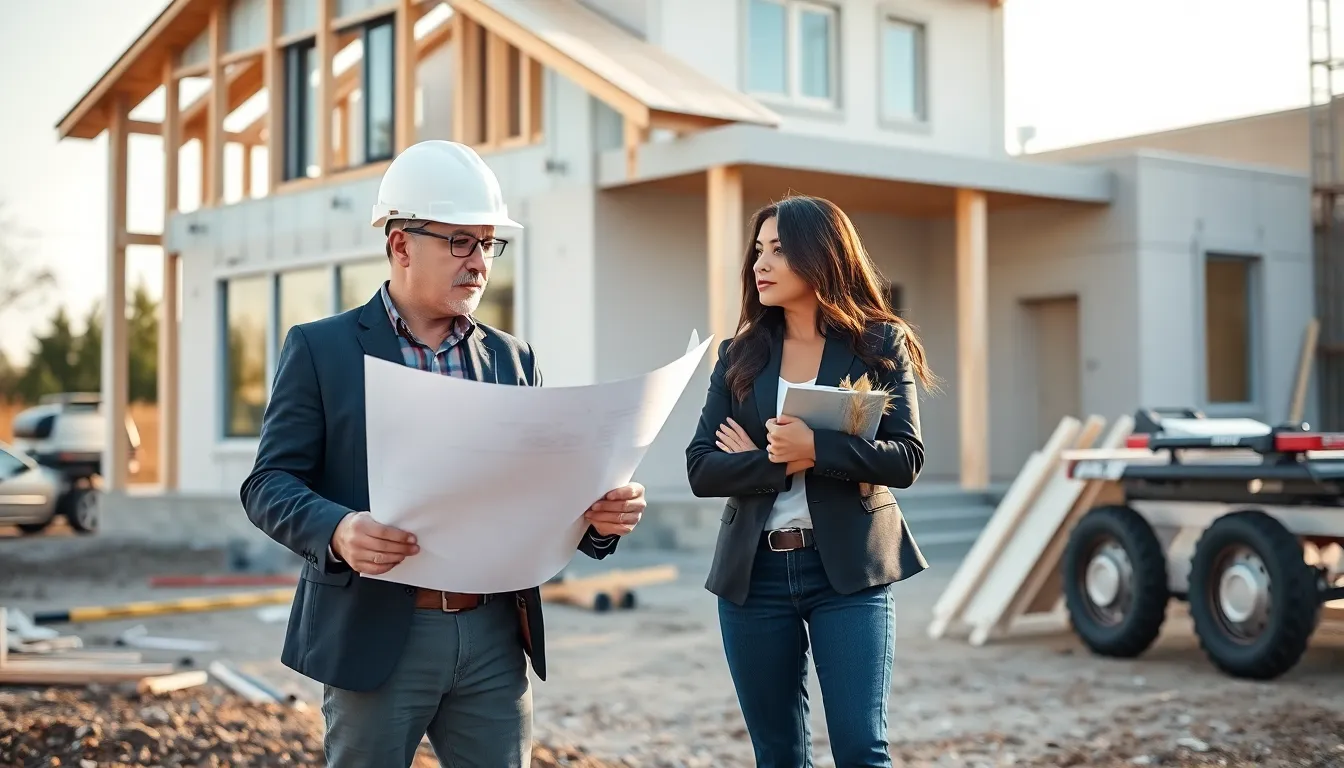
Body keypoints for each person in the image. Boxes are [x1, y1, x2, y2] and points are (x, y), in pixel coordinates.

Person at [239, 139, 646, 768]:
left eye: (488, 244)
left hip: (494, 636)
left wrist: (600, 518)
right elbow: (268, 483)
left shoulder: (515, 359)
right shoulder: (322, 349)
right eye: (461, 241)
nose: (480, 262)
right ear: (401, 245)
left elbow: (545, 492)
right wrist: (340, 529)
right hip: (376, 635)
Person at [685, 195, 938, 767]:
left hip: (847, 573)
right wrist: (782, 461)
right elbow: (702, 467)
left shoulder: (877, 344)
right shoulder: (739, 355)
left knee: (860, 749)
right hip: (755, 578)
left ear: (820, 255)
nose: (760, 265)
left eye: (778, 250)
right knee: (777, 755)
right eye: (757, 251)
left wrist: (814, 447)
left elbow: (904, 458)